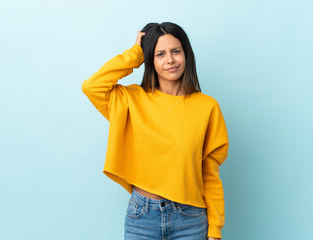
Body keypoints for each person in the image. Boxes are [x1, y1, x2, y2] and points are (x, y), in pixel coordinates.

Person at [82, 22, 229, 240]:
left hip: (190, 218)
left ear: (186, 54)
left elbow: (210, 172)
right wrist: (135, 54)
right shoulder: (130, 100)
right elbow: (92, 86)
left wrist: (215, 231)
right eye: (160, 54)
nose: (170, 60)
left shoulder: (207, 107)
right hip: (142, 217)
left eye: (176, 51)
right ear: (150, 59)